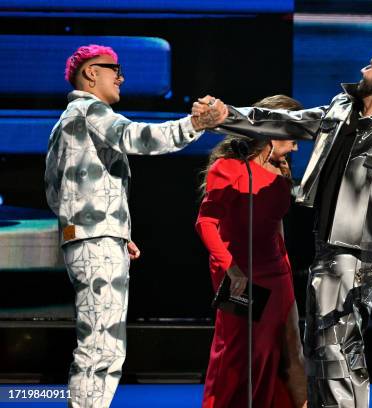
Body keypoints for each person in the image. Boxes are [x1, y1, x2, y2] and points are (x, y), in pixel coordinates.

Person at [211, 48, 372, 407]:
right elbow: (283, 122)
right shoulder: (338, 111)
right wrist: (227, 116)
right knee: (319, 355)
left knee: (338, 355)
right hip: (324, 252)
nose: (364, 67)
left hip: (361, 260)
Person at [44, 44, 227, 408]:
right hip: (95, 241)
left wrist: (112, 231)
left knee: (99, 341)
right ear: (91, 73)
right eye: (115, 69)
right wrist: (195, 125)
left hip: (91, 238)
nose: (121, 77)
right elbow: (140, 138)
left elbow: (54, 190)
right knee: (102, 346)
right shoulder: (89, 110)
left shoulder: (67, 121)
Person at [196, 95, 307, 408]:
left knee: (288, 350)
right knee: (241, 354)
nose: (297, 147)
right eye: (294, 138)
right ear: (275, 128)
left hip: (276, 272)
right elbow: (206, 222)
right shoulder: (227, 168)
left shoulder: (281, 172)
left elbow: (275, 227)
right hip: (238, 273)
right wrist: (230, 269)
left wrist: (284, 272)